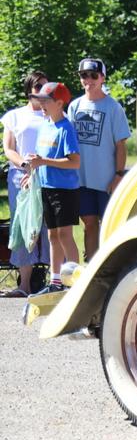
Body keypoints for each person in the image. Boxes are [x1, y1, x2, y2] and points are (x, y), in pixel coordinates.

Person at [68, 57, 131, 261]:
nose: (88, 79)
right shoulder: (75, 106)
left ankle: (114, 266)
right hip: (81, 178)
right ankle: (92, 268)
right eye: (84, 75)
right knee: (89, 223)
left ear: (102, 77)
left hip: (106, 179)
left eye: (93, 75)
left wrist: (119, 175)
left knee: (111, 224)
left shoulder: (113, 107)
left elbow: (121, 145)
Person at [24, 82, 80, 293]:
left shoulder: (66, 128)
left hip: (65, 190)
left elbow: (74, 162)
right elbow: (40, 159)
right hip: (46, 187)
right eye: (40, 100)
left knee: (65, 235)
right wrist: (32, 173)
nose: (42, 104)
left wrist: (44, 161)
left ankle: (75, 280)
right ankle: (55, 281)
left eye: (46, 101)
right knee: (52, 236)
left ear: (59, 103)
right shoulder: (45, 126)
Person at [1, 71, 50, 297]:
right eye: (38, 86)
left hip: (49, 175)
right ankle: (25, 285)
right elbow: (9, 148)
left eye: (45, 86)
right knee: (23, 226)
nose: (42, 91)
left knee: (50, 227)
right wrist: (24, 164)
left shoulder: (54, 114)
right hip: (20, 176)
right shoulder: (15, 116)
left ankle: (55, 281)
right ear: (29, 89)